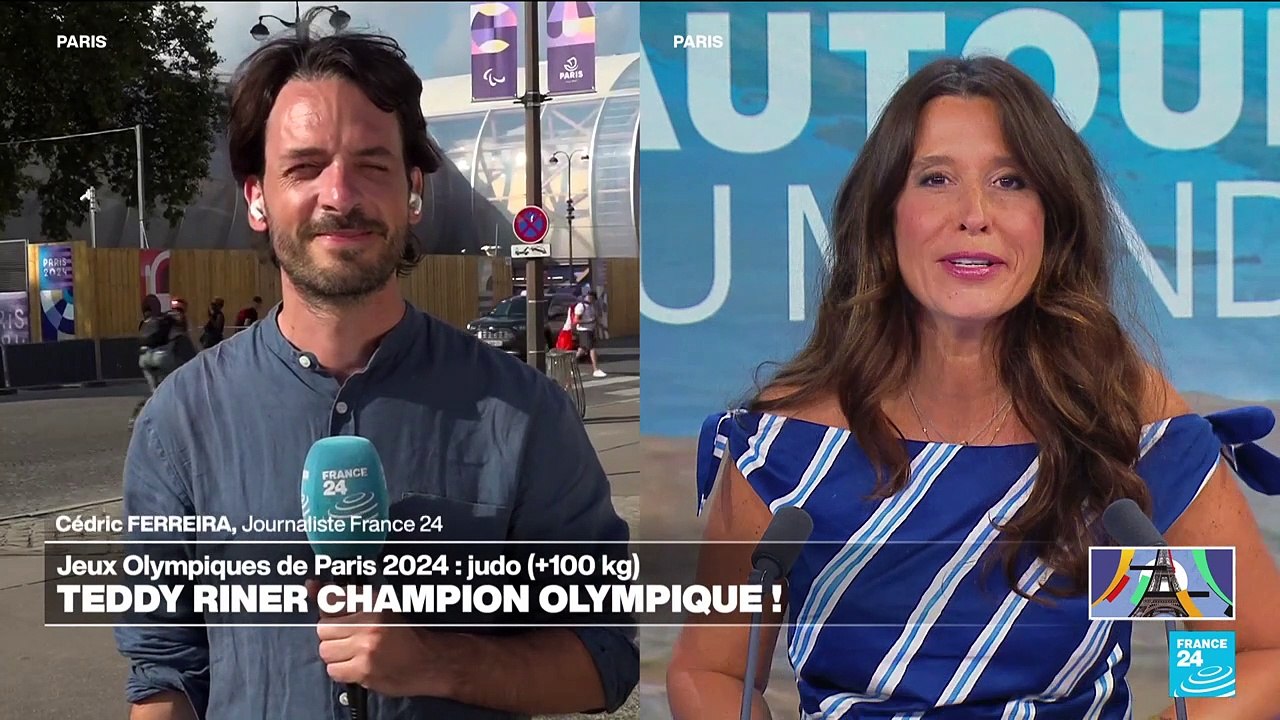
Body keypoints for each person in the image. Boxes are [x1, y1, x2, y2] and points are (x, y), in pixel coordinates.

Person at [666, 55, 1280, 719]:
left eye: (1010, 181)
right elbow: (716, 670)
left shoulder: (1119, 431)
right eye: (935, 179)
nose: (974, 213)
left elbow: (1239, 645)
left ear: (1052, 222)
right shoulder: (788, 448)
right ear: (884, 217)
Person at [115, 30, 637, 720]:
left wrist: (438, 662)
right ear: (257, 198)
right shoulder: (177, 424)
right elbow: (163, 672)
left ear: (412, 192)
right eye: (304, 167)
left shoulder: (523, 413)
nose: (341, 194)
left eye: (372, 164)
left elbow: (606, 659)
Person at [129, 298, 198, 430]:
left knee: (155, 392)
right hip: (163, 359)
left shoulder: (159, 319)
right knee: (178, 386)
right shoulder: (178, 322)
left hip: (144, 359)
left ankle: (136, 418)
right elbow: (187, 345)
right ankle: (183, 421)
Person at [573, 290, 606, 378]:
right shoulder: (581, 306)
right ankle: (596, 369)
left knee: (582, 350)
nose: (592, 300)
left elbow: (594, 318)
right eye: (591, 298)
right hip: (584, 330)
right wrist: (588, 321)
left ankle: (570, 364)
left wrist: (601, 327)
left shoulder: (591, 306)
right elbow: (575, 321)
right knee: (592, 348)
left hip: (590, 330)